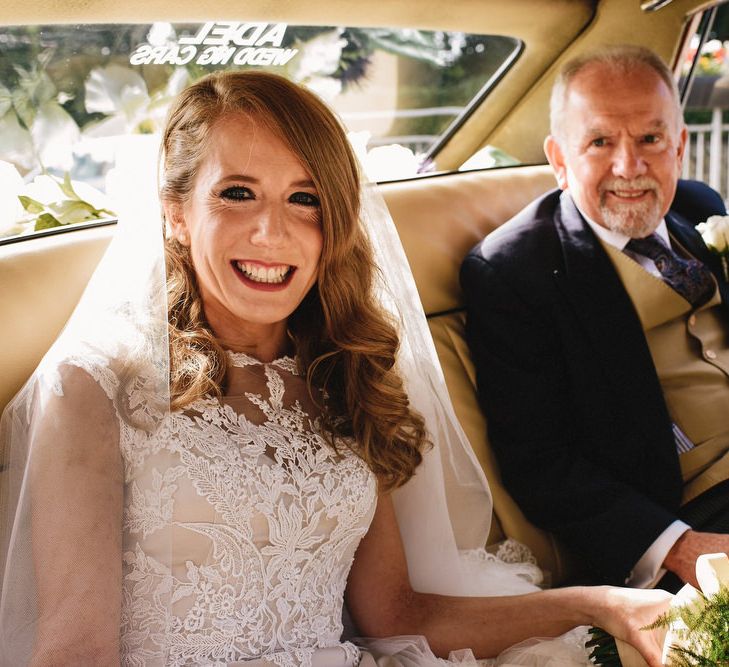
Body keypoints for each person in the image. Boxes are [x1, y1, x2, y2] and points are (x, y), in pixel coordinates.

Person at [0, 69, 669, 667]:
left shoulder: (340, 374)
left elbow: (397, 616)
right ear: (174, 213)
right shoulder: (94, 388)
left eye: (305, 198)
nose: (273, 232)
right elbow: (76, 651)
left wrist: (600, 603)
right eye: (237, 193)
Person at [461, 44, 729, 594]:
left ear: (679, 146)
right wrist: (679, 547)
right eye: (601, 142)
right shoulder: (514, 270)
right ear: (560, 158)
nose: (629, 167)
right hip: (695, 512)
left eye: (650, 140)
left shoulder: (701, 207)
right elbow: (541, 462)